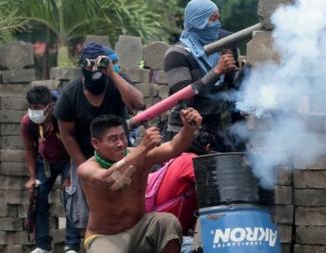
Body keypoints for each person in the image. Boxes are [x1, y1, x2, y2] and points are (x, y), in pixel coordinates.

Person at [78, 108, 202, 253]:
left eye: (123, 137)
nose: (120, 144)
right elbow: (108, 179)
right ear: (95, 143)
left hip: (140, 229)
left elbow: (173, 147)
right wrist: (142, 147)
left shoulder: (140, 155)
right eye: (113, 139)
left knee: (167, 221)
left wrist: (188, 128)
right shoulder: (86, 168)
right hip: (106, 236)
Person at [54, 42, 145, 229]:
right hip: (85, 156)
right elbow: (67, 135)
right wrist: (85, 168)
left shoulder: (117, 83)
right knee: (89, 215)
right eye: (90, 65)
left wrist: (112, 73)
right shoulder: (71, 93)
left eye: (100, 62)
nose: (95, 69)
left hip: (120, 156)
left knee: (125, 205)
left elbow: (137, 105)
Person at [163, 0, 238, 152]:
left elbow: (231, 88)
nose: (218, 24)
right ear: (198, 21)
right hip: (184, 132)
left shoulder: (217, 52)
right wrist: (216, 72)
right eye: (213, 19)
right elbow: (183, 96)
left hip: (214, 130)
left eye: (218, 18)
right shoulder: (177, 54)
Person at [21, 86, 82, 253]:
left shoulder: (61, 117)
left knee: (71, 196)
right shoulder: (28, 122)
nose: (34, 112)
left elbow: (74, 144)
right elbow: (29, 149)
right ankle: (42, 245)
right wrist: (32, 177)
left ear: (49, 107)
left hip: (68, 160)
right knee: (38, 196)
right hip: (45, 161)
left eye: (38, 108)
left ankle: (72, 245)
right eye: (31, 108)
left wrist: (70, 175)